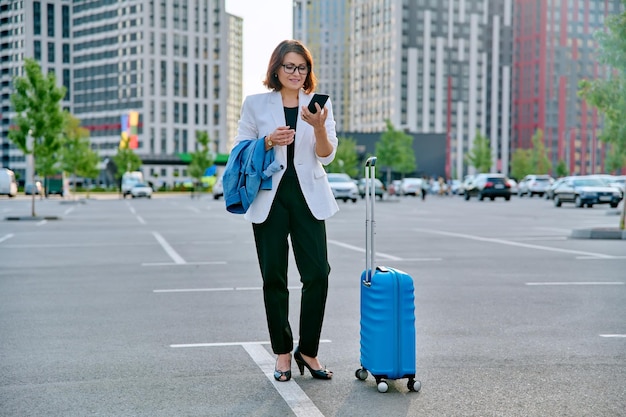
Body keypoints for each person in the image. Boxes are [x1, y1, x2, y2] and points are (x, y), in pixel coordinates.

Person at [233, 40, 338, 382]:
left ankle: (308, 350)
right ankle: (282, 352)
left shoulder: (319, 105)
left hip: (308, 196)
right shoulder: (256, 104)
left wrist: (319, 127)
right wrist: (267, 141)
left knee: (318, 275)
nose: (296, 73)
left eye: (302, 67)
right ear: (276, 68)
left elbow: (326, 155)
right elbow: (239, 148)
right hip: (270, 197)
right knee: (274, 278)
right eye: (290, 66)